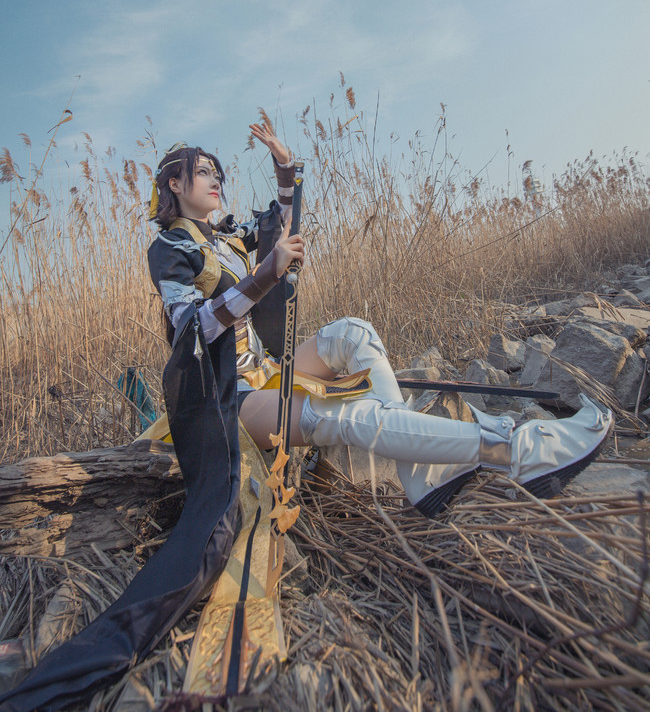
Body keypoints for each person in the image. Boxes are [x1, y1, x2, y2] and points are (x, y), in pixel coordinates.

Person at [1, 125, 612, 712]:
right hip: (225, 396)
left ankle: (420, 472)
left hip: (266, 369)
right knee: (340, 418)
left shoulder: (225, 237)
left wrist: (285, 171)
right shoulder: (171, 248)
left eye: (217, 171)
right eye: (201, 172)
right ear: (174, 186)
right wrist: (263, 276)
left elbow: (279, 231)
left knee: (355, 332)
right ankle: (518, 449)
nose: (215, 179)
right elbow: (192, 329)